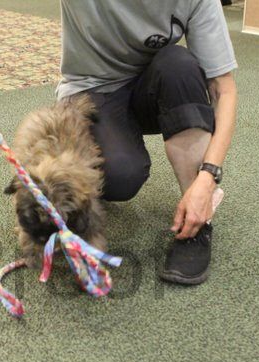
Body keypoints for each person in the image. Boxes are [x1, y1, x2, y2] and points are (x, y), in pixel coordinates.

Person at [57, 0, 238, 284]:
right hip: (92, 90)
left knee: (180, 65)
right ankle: (95, 155)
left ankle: (196, 225)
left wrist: (207, 177)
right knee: (120, 177)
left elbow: (223, 90)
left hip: (152, 86)